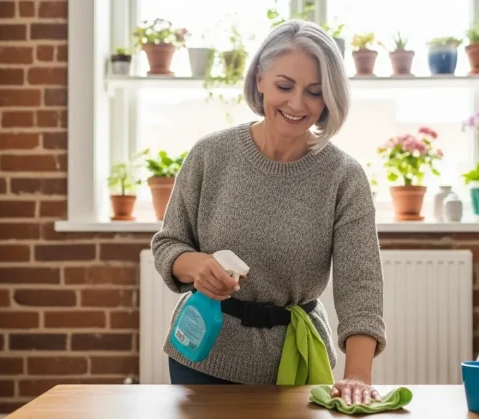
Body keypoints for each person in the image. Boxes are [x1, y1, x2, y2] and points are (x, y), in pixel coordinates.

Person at [151, 19, 387, 406]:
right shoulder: (211, 155)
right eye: (284, 86)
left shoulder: (344, 177)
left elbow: (361, 288)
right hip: (203, 354)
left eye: (314, 92)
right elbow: (169, 244)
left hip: (296, 361)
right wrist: (197, 267)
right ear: (259, 79)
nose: (297, 104)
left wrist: (358, 376)